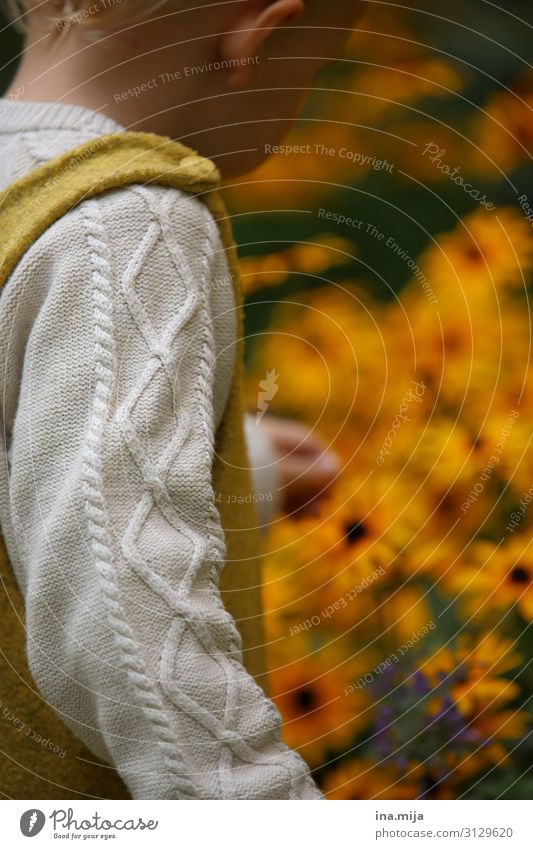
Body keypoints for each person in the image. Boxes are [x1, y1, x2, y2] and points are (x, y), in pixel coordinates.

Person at [0, 0, 362, 799]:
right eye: (319, 64)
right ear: (257, 38)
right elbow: (118, 599)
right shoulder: (130, 221)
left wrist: (240, 464)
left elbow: (33, 461)